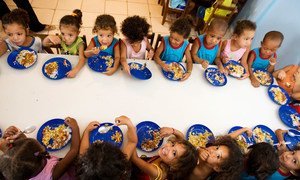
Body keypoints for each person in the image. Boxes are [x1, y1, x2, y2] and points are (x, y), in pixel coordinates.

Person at [0, 117, 80, 180]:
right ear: (43, 153)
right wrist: (75, 128)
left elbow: (15, 159)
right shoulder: (52, 174)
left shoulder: (17, 170)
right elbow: (74, 150)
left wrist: (9, 148)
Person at [130, 127, 198, 179]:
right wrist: (172, 131)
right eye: (173, 144)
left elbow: (134, 158)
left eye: (174, 153)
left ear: (177, 165)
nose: (168, 148)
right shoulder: (168, 160)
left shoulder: (156, 172)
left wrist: (132, 135)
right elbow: (181, 137)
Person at [43, 9, 85, 78]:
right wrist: (48, 38)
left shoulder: (80, 43)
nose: (66, 38)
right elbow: (44, 45)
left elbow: (82, 59)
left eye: (70, 35)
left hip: (75, 65)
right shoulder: (60, 38)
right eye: (63, 33)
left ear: (77, 33)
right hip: (62, 64)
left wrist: (75, 70)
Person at [154, 17, 193, 81]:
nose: (172, 41)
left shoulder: (185, 45)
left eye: (177, 40)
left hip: (175, 71)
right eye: (171, 37)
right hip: (161, 68)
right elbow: (156, 57)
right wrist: (162, 64)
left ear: (185, 39)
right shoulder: (165, 40)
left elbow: (189, 61)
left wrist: (189, 72)